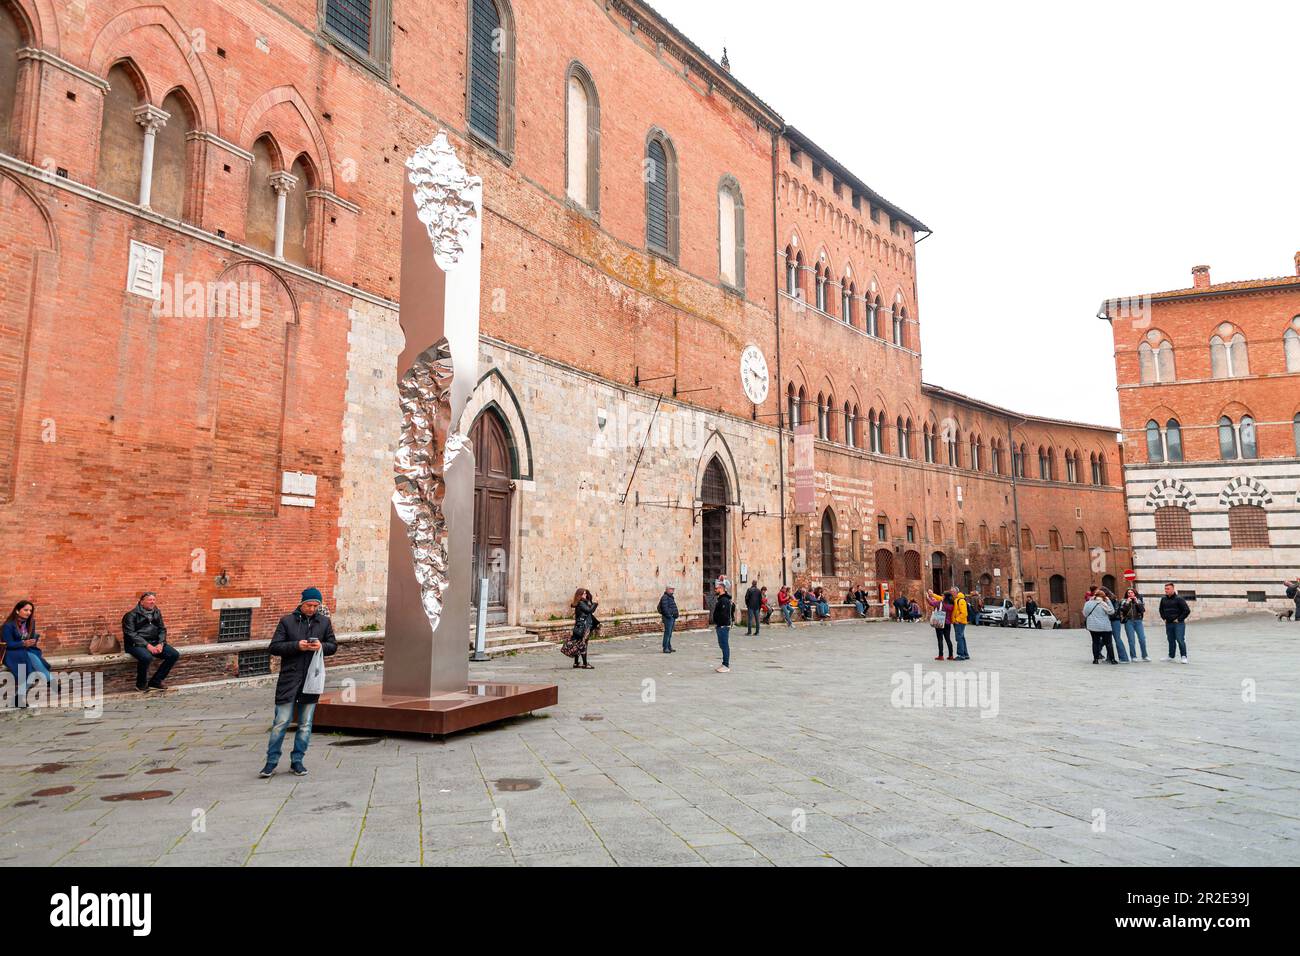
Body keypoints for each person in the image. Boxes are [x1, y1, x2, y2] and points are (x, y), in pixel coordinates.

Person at [260, 588, 337, 777]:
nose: (312, 609)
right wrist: (297, 646)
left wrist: (321, 646)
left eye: (316, 606)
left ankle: (297, 761)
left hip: (312, 679)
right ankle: (271, 762)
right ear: (302, 603)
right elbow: (274, 647)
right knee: (281, 721)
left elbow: (333, 646)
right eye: (309, 605)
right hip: (289, 678)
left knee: (305, 723)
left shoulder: (324, 622)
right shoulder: (287, 621)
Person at [122, 592, 181, 691]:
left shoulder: (156, 612)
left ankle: (156, 681)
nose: (152, 602)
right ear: (142, 602)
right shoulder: (131, 615)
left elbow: (162, 629)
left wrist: (161, 643)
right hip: (135, 644)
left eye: (154, 600)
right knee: (146, 657)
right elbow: (130, 634)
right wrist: (147, 645)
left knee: (174, 654)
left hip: (154, 642)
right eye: (149, 600)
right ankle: (141, 684)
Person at [3, 600, 52, 704]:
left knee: (32, 660)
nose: (28, 612)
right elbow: (8, 644)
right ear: (17, 611)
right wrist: (23, 643)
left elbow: (30, 639)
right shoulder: (8, 625)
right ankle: (49, 679)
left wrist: (32, 641)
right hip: (12, 653)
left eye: (30, 610)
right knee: (31, 664)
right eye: (25, 610)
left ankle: (18, 699)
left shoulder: (31, 623)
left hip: (26, 650)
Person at [564, 588, 597, 669]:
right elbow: (590, 610)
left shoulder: (581, 603)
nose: (585, 595)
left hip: (579, 627)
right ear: (579, 595)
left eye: (586, 593)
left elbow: (589, 607)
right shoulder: (581, 603)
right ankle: (585, 664)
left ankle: (576, 663)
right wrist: (596, 603)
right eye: (584, 594)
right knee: (583, 645)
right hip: (583, 628)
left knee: (578, 644)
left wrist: (590, 598)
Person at [1159, 583, 1190, 663]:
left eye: (1168, 589)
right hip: (1168, 623)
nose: (1166, 590)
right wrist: (1164, 618)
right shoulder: (1163, 599)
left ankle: (1184, 656)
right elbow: (1161, 610)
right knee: (1171, 640)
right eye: (1165, 589)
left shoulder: (1179, 599)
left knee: (1180, 639)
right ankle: (1171, 656)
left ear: (1173, 589)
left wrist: (1179, 619)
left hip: (1178, 624)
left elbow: (1186, 610)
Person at [1084, 588, 1118, 664]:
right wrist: (1108, 601)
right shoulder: (1103, 603)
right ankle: (1112, 660)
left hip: (1092, 626)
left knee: (1095, 642)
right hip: (1104, 626)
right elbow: (1111, 612)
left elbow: (1085, 614)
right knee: (1108, 643)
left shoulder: (1088, 603)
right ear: (1103, 597)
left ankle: (1095, 659)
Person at [1119, 588, 1149, 661]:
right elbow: (1122, 610)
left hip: (1138, 621)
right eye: (1128, 593)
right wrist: (1127, 603)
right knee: (1131, 640)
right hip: (1129, 622)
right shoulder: (1123, 601)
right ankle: (1133, 656)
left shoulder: (1138, 600)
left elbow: (1142, 610)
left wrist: (1137, 602)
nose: (1130, 594)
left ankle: (1144, 656)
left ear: (1134, 593)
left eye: (1131, 592)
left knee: (1142, 639)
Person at [712, 582, 735, 673]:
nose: (715, 590)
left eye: (716, 588)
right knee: (722, 644)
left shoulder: (724, 600)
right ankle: (724, 663)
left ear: (721, 588)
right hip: (720, 626)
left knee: (724, 645)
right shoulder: (721, 599)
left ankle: (726, 665)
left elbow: (724, 615)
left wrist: (720, 624)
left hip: (723, 626)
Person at [928, 590, 954, 660]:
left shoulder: (940, 603)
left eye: (943, 595)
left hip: (940, 622)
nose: (942, 596)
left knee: (940, 639)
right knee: (948, 639)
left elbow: (931, 603)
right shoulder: (952, 604)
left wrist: (927, 597)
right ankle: (951, 655)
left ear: (945, 597)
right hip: (948, 623)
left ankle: (941, 655)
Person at [657, 585, 678, 654]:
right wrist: (669, 615)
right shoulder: (665, 597)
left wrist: (675, 615)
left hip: (672, 617)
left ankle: (669, 646)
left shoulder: (670, 597)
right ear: (667, 590)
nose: (673, 590)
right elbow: (665, 608)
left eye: (673, 589)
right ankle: (665, 647)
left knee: (670, 633)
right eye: (671, 589)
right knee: (667, 633)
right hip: (668, 618)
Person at [951, 588, 971, 661]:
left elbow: (964, 613)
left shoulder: (961, 600)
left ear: (956, 592)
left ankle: (961, 655)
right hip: (957, 622)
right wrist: (932, 595)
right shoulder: (956, 599)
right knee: (962, 638)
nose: (951, 593)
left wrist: (957, 620)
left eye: (952, 591)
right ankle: (965, 654)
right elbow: (942, 598)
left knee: (959, 638)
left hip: (960, 622)